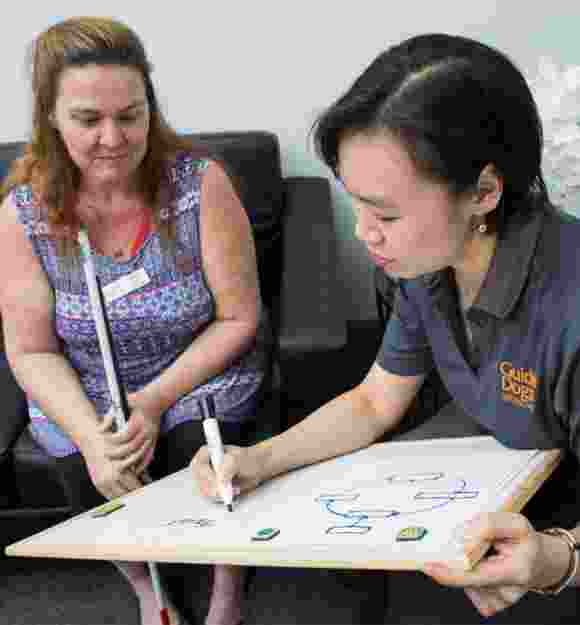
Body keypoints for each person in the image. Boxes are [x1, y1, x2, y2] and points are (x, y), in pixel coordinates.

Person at [192, 33, 580, 623]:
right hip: (512, 482)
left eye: (386, 214)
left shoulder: (568, 300)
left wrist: (558, 559)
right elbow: (376, 400)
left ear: (482, 192)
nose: (362, 234)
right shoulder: (428, 268)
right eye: (358, 207)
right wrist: (258, 460)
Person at [0, 16, 267, 625]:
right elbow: (32, 351)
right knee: (88, 470)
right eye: (89, 120)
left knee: (205, 454)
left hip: (198, 368)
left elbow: (238, 317)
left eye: (131, 114)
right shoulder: (23, 214)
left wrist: (152, 402)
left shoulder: (201, 184)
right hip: (87, 382)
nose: (114, 138)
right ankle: (151, 593)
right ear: (51, 118)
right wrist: (96, 439)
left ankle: (226, 594)